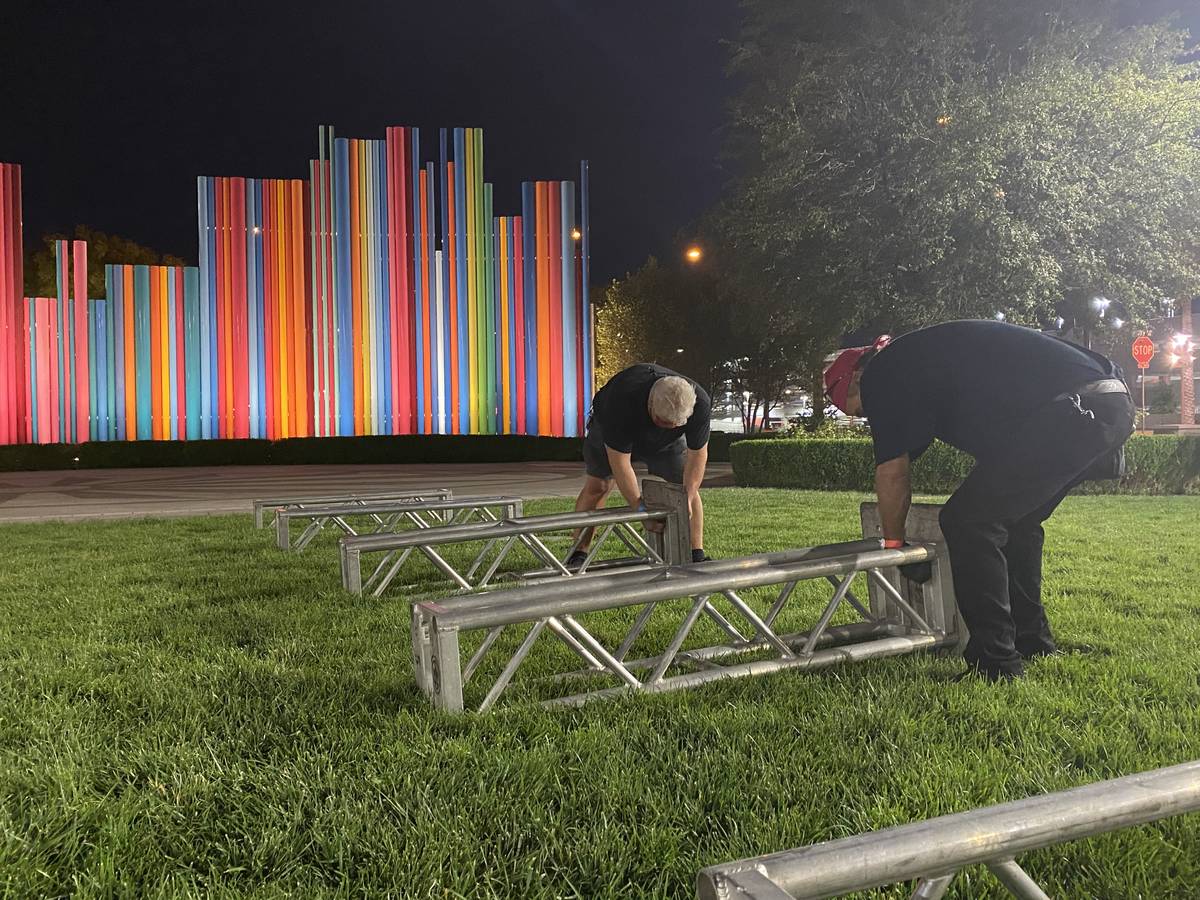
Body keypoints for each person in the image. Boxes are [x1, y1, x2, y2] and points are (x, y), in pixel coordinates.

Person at [824, 320, 1135, 681]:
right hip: (1105, 404)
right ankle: (1031, 641)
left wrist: (894, 544)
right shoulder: (918, 367)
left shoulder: (883, 374)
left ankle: (995, 663)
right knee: (1017, 523)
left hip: (1072, 409)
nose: (869, 419)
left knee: (969, 521)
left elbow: (893, 473)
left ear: (857, 380)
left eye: (860, 411)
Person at [570, 363, 712, 567]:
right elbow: (620, 464)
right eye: (663, 422)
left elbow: (698, 456)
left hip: (668, 444)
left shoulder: (700, 403)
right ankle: (578, 552)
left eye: (676, 424)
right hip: (607, 430)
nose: (670, 427)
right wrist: (639, 509)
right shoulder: (621, 400)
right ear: (651, 404)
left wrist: (686, 498)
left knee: (685, 489)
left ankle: (695, 553)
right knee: (599, 485)